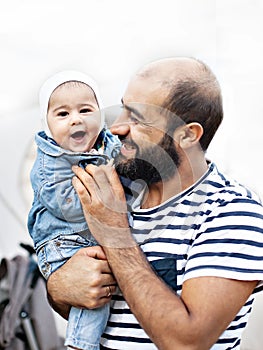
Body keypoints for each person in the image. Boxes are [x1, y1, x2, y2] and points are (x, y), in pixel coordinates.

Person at [47, 57, 263, 350]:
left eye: (136, 117)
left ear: (188, 135)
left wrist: (114, 234)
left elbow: (186, 343)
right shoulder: (118, 188)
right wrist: (58, 289)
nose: (116, 127)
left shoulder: (232, 213)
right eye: (122, 107)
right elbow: (90, 308)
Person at [27, 70, 121, 350]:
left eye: (85, 110)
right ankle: (80, 345)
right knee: (94, 297)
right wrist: (110, 198)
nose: (76, 119)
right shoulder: (49, 163)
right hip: (61, 243)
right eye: (62, 114)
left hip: (87, 237)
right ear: (48, 124)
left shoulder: (107, 144)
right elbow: (67, 206)